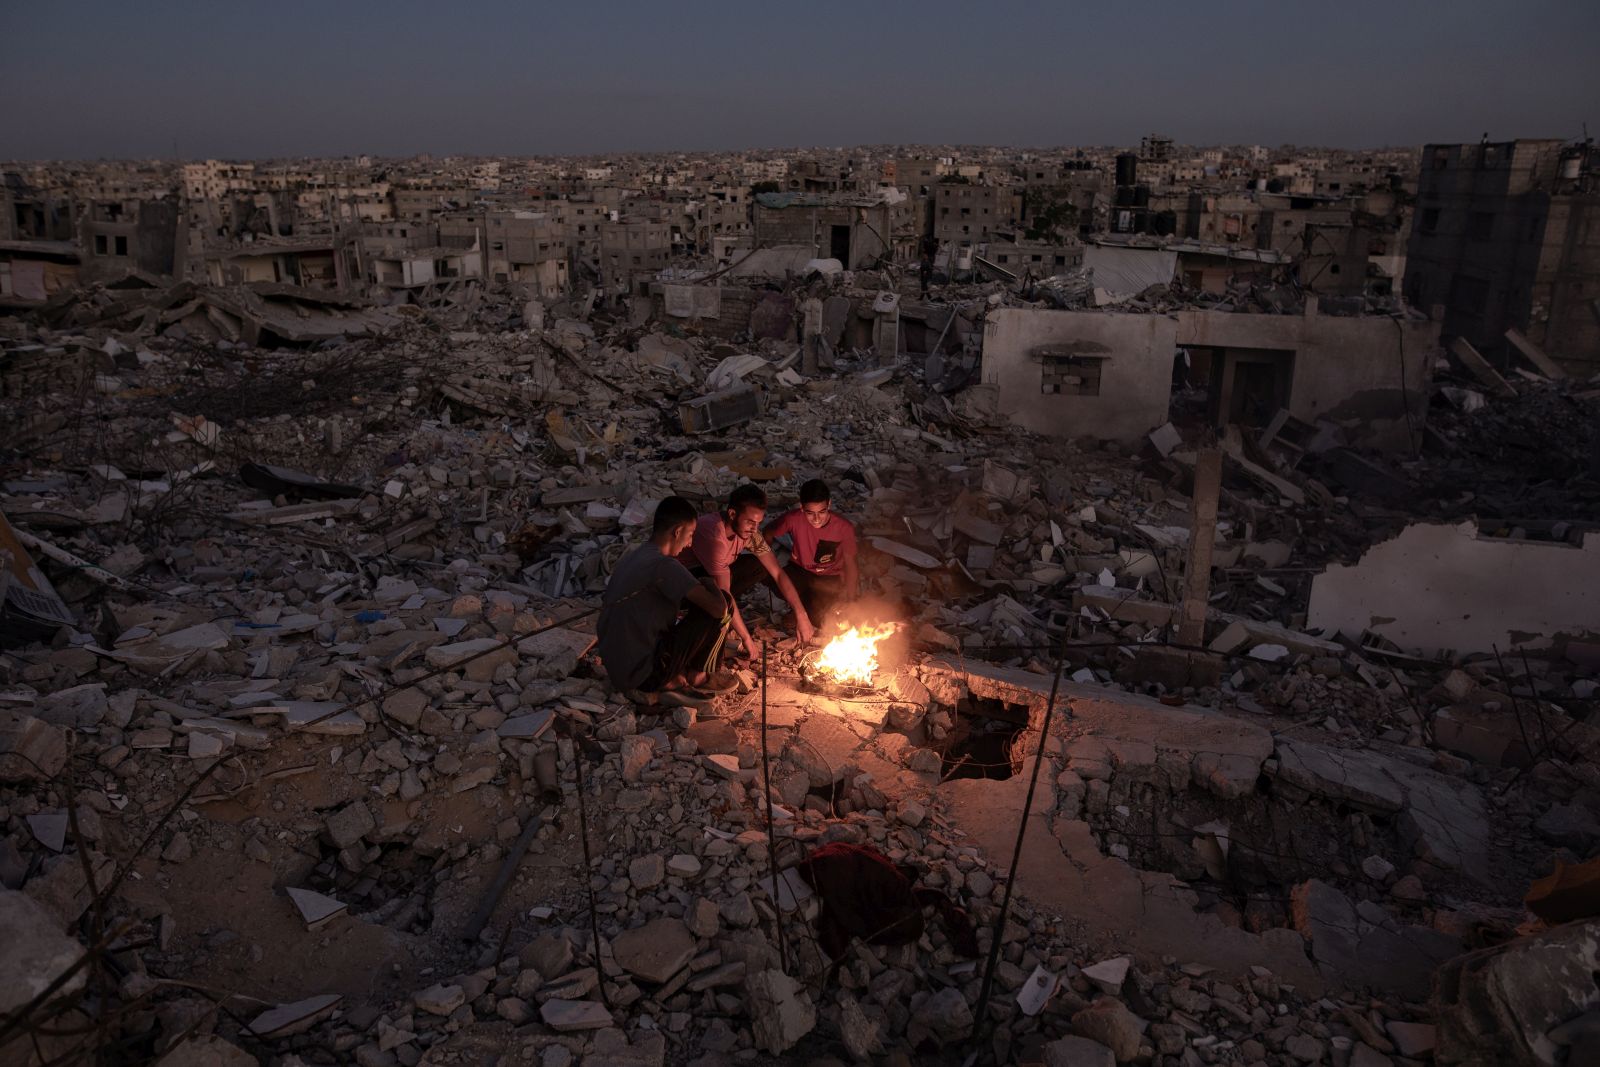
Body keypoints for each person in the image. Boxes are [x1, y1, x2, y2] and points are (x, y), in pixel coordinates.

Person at [596, 496, 734, 706]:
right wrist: (710, 583)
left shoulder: (638, 555)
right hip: (646, 675)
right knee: (724, 602)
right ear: (677, 532)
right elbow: (718, 609)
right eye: (689, 535)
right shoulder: (665, 565)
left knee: (696, 605)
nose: (689, 543)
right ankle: (697, 676)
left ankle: (673, 676)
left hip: (620, 670)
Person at [679, 484, 816, 657]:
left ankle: (727, 616)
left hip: (710, 576)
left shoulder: (750, 534)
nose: (754, 528)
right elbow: (724, 595)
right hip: (680, 586)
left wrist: (801, 614)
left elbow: (778, 573)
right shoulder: (714, 536)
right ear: (732, 514)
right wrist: (747, 639)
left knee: (758, 566)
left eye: (758, 523)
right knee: (721, 604)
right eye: (750, 522)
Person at [762, 478, 859, 624]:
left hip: (829, 577)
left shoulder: (844, 527)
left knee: (821, 620)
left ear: (829, 504)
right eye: (810, 513)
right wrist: (769, 556)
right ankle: (799, 605)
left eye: (822, 512)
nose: (816, 519)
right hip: (800, 570)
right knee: (769, 577)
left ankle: (807, 607)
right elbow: (768, 532)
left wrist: (851, 600)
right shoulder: (793, 519)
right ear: (801, 507)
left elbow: (851, 564)